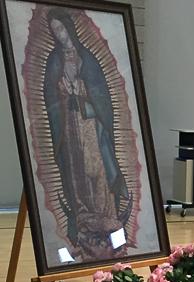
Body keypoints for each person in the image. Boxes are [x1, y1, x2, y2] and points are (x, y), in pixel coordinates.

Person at [43, 8, 131, 260]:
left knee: (96, 167)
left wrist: (79, 88)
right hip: (69, 124)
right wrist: (62, 89)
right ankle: (84, 215)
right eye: (55, 30)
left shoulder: (86, 57)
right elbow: (50, 95)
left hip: (91, 123)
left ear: (69, 28)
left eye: (61, 28)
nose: (59, 34)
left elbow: (100, 93)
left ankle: (105, 214)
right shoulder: (53, 59)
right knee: (76, 169)